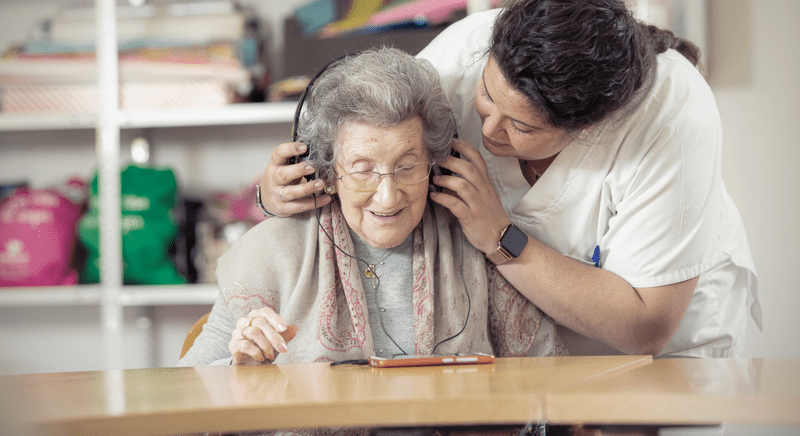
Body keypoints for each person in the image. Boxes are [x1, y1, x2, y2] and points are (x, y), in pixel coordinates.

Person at [259, 0, 761, 358]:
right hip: (528, 346)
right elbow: (338, 133)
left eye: (521, 127)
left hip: (664, 342)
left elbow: (644, 324)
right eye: (486, 96)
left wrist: (498, 235)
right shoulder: (469, 51)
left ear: (588, 128)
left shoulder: (673, 119)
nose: (491, 129)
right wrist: (276, 190)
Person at [178, 47, 564, 367]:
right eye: (363, 171)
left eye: (408, 167)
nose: (388, 195)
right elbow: (186, 393)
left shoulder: (477, 244)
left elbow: (551, 377)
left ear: (436, 165)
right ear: (325, 172)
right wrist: (240, 369)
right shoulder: (271, 254)